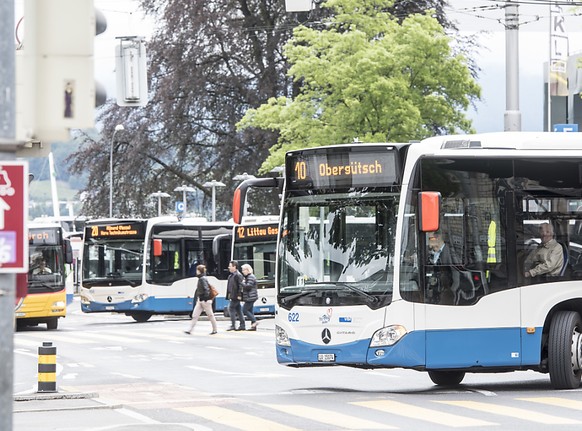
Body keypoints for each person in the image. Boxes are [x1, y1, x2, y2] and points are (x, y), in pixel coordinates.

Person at [184, 265, 218, 335]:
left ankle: (215, 329)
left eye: (197, 270)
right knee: (195, 315)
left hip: (205, 301)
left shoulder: (202, 279)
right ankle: (190, 330)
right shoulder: (201, 278)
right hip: (200, 300)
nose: (196, 271)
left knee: (210, 315)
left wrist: (205, 299)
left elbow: (206, 289)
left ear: (199, 271)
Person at [226, 260, 245, 331]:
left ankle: (233, 325)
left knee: (230, 308)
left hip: (236, 296)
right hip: (233, 295)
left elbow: (241, 286)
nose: (229, 267)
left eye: (230, 266)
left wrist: (239, 295)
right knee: (238, 310)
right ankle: (242, 325)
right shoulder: (231, 275)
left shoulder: (238, 275)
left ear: (234, 267)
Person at [241, 264, 259, 331]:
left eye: (243, 270)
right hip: (250, 296)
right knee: (250, 311)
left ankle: (254, 321)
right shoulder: (248, 277)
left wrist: (242, 283)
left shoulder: (250, 277)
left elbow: (248, 287)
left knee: (244, 310)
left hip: (250, 297)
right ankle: (253, 327)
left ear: (248, 270)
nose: (242, 271)